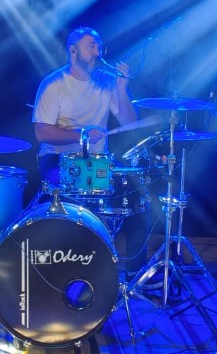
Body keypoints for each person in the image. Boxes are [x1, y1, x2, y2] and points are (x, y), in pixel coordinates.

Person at [32, 26, 146, 269]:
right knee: (74, 204)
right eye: (91, 47)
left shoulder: (107, 81)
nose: (98, 52)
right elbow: (42, 133)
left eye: (99, 47)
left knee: (136, 199)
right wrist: (81, 134)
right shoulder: (54, 83)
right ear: (73, 51)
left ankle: (137, 275)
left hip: (99, 161)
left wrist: (122, 89)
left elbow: (129, 122)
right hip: (58, 159)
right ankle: (69, 265)